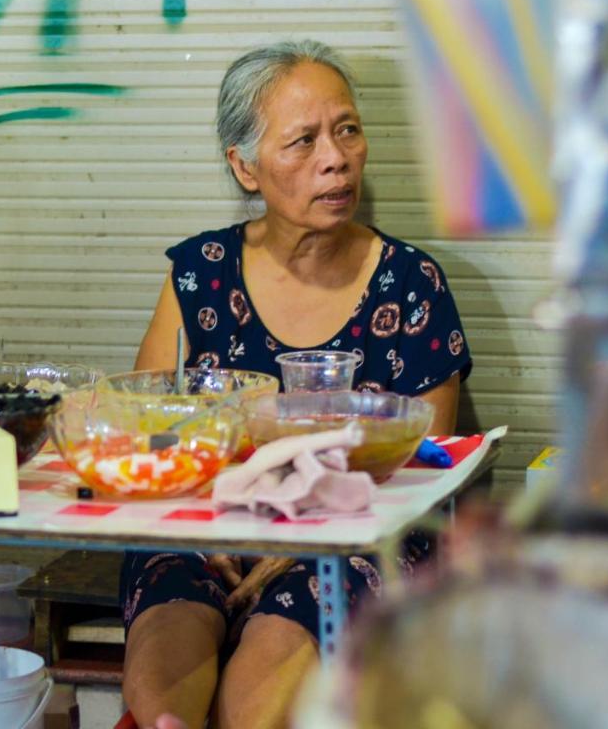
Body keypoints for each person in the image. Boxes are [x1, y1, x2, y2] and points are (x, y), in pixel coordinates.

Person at [121, 41, 473, 729]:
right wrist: (200, 518)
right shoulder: (201, 275)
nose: (335, 157)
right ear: (244, 167)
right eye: (303, 141)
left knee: (274, 655)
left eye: (346, 129)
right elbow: (147, 430)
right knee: (171, 619)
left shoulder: (410, 283)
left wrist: (306, 538)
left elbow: (431, 467)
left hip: (360, 535)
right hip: (214, 520)